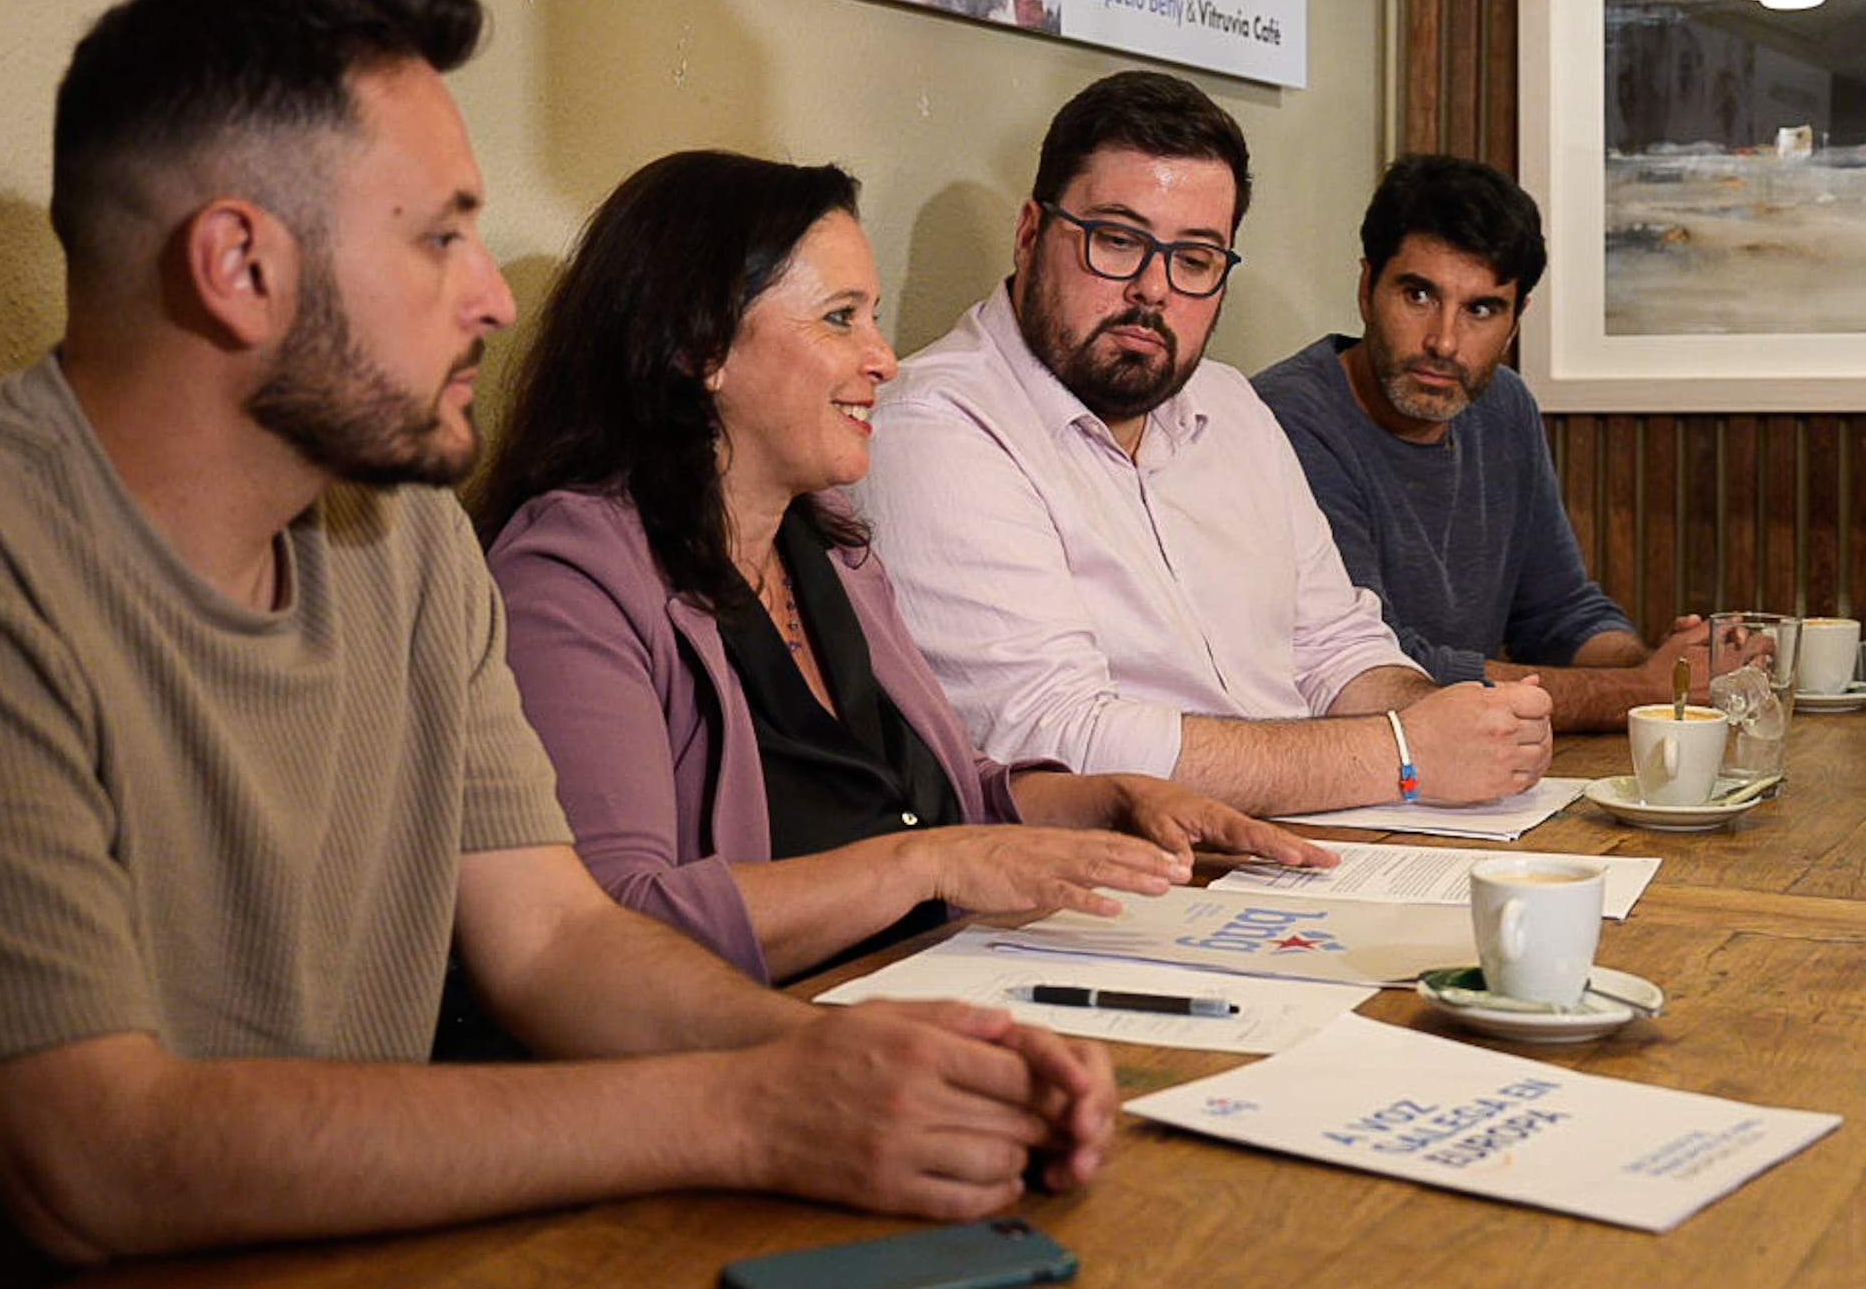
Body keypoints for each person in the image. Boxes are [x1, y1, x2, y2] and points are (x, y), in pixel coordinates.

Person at [0, 0, 1114, 1289]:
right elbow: (97, 1160)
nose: (494, 297)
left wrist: (870, 1064)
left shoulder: (402, 531)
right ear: (240, 266)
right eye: (440, 240)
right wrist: (756, 1104)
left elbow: (556, 943)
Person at [478, 149, 1327, 981]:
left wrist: (1108, 799)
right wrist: (924, 864)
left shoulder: (827, 542)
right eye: (841, 317)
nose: (883, 357)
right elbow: (609, 933)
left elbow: (942, 797)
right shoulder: (572, 579)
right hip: (743, 1058)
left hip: (928, 984)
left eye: (874, 316)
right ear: (703, 346)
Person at [857, 72, 1556, 817]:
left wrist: (1464, 725)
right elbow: (1055, 738)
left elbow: (1334, 644)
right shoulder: (936, 424)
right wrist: (1405, 752)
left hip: (1321, 840)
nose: (1154, 290)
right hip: (1119, 874)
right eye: (1117, 241)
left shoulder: (1229, 403)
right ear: (1031, 233)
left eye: (1194, 260)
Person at [1254, 153, 1768, 732]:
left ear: (1514, 323)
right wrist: (1633, 691)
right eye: (1418, 296)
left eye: (1480, 309)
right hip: (1346, 765)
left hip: (1478, 762)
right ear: (1367, 287)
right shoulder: (1283, 419)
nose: (1444, 342)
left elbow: (1559, 612)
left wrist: (1662, 669)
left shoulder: (1503, 406)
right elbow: (1376, 667)